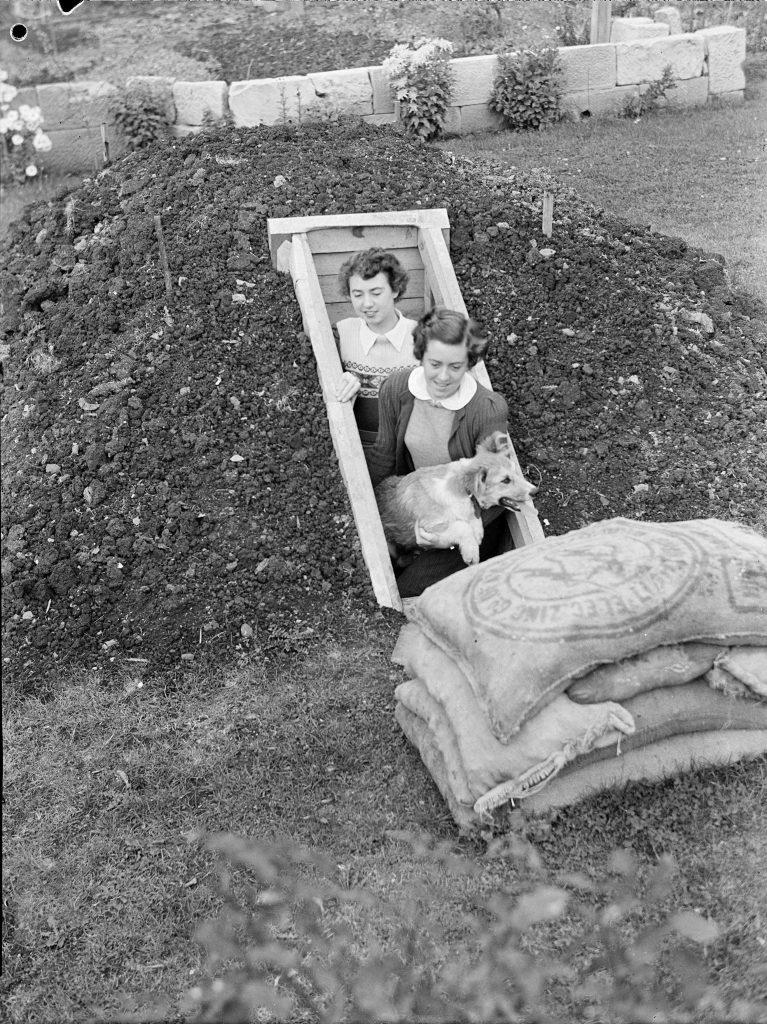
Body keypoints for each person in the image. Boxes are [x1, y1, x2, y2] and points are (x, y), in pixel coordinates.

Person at [366, 305, 511, 598]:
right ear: (421, 356)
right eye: (434, 364)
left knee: (408, 594)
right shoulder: (396, 389)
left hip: (467, 523)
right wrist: (371, 520)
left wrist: (446, 536)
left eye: (455, 367)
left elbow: (492, 490)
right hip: (415, 507)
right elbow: (383, 457)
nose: (443, 376)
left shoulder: (487, 409)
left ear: (469, 363)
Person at [334, 248, 418, 447]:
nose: (367, 304)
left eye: (376, 292)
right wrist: (337, 382)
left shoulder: (422, 337)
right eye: (357, 294)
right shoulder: (342, 334)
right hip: (358, 448)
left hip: (408, 448)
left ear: (395, 289)